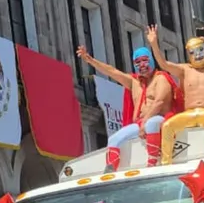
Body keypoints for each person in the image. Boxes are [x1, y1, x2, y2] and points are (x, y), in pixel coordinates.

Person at [76, 42, 183, 171]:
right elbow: (111, 71)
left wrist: (145, 121)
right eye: (137, 62)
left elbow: (159, 102)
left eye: (145, 60)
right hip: (141, 124)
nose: (142, 65)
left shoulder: (161, 78)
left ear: (152, 61)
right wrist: (90, 60)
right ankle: (111, 169)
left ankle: (152, 163)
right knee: (114, 139)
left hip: (161, 120)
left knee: (151, 124)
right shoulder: (134, 82)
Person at [148, 25, 204, 164]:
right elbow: (163, 64)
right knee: (167, 126)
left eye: (200, 49)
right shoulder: (184, 70)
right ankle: (166, 163)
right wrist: (154, 43)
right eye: (193, 52)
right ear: (188, 54)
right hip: (190, 113)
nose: (198, 54)